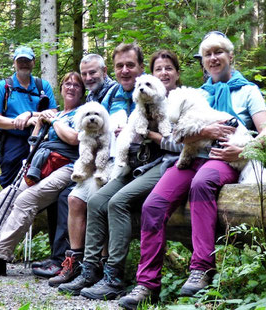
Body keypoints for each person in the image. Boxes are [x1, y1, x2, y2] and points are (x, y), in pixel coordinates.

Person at [119, 32, 266, 310]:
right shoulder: (197, 93)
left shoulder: (248, 90)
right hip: (191, 157)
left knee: (202, 183)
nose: (213, 58)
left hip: (225, 158)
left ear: (230, 56)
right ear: (202, 62)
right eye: (208, 54)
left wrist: (245, 150)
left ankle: (202, 269)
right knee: (153, 205)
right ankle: (147, 284)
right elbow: (178, 134)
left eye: (219, 52)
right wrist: (204, 131)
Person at [56, 49, 183, 300]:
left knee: (118, 202)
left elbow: (181, 143)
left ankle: (114, 276)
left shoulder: (179, 99)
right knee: (95, 201)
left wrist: (148, 135)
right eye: (159, 69)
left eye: (168, 69)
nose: (163, 73)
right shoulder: (133, 97)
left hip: (160, 164)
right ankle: (90, 269)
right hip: (130, 163)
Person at [0, 72, 85, 276]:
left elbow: (74, 139)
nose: (71, 88)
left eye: (76, 85)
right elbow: (33, 143)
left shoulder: (82, 113)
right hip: (42, 164)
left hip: (68, 166)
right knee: (6, 195)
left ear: (82, 91)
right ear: (61, 89)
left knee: (26, 199)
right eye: (67, 84)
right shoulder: (58, 113)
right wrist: (38, 122)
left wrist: (52, 121)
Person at [32, 54, 117, 279]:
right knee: (66, 197)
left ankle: (96, 265)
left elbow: (80, 137)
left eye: (93, 73)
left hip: (110, 161)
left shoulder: (114, 92)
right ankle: (71, 261)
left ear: (104, 71)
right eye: (85, 73)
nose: (89, 77)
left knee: (72, 197)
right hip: (84, 163)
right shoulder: (91, 97)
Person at [0, 46, 57, 188]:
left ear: (33, 62)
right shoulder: (4, 86)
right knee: (10, 180)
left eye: (27, 60)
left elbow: (54, 113)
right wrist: (18, 123)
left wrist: (31, 114)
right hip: (13, 140)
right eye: (20, 61)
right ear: (14, 63)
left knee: (42, 176)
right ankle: (7, 207)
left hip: (40, 139)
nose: (24, 64)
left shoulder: (42, 86)